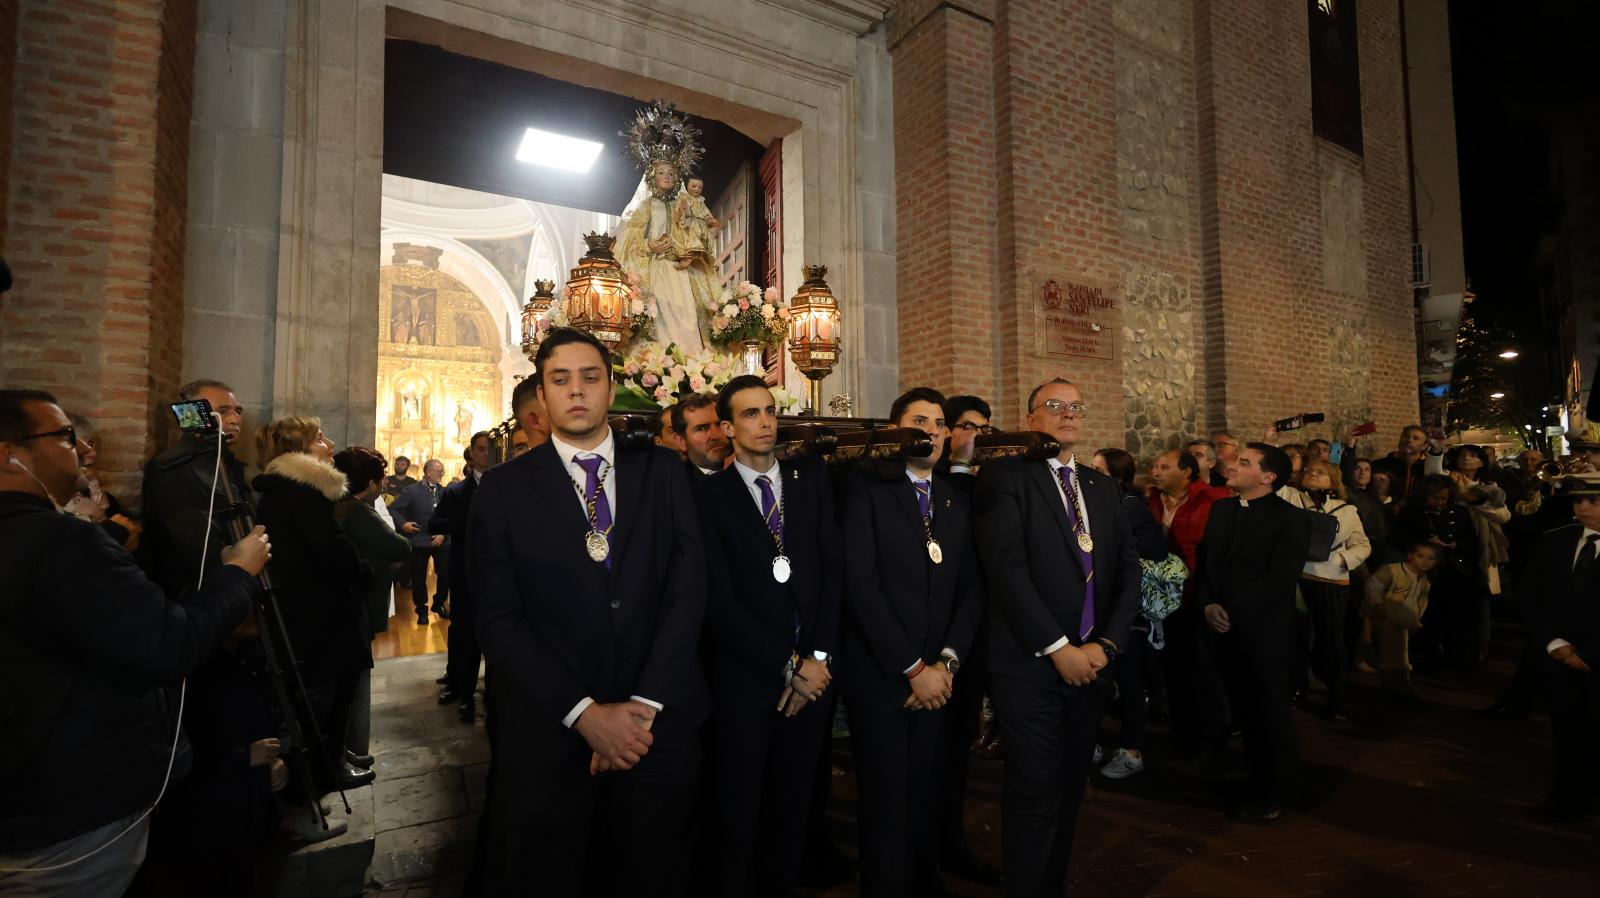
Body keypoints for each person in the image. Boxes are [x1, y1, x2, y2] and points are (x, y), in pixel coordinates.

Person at [0, 389, 268, 897]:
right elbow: (167, 644)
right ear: (7, 452)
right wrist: (238, 575)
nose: (81, 450)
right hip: (68, 807)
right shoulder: (61, 540)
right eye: (64, 436)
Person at [469, 327, 709, 896]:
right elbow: (499, 620)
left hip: (657, 726)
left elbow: (688, 588)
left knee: (652, 869)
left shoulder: (663, 472)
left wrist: (642, 708)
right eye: (561, 380)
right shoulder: (502, 491)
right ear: (543, 398)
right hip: (553, 731)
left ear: (610, 388)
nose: (576, 391)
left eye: (590, 377)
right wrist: (586, 715)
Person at [974, 378, 1140, 896]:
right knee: (1034, 788)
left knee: (1070, 789)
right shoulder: (1006, 477)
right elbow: (1006, 570)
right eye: (1054, 406)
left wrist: (1105, 645)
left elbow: (1128, 572)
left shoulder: (1101, 486)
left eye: (1075, 407)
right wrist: (1058, 648)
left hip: (1092, 664)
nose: (1067, 414)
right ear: (1032, 420)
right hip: (1029, 665)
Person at [695, 374, 843, 898]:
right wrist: (787, 666)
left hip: (813, 680)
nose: (765, 422)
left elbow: (832, 570)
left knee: (793, 806)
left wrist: (817, 659)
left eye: (770, 411)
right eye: (751, 414)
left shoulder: (810, 478)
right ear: (728, 427)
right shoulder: (708, 496)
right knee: (738, 810)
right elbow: (716, 599)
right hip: (748, 680)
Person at [838, 388, 983, 897]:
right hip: (884, 677)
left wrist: (945, 662)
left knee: (925, 791)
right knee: (886, 798)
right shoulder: (867, 490)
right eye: (919, 421)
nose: (932, 431)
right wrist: (912, 668)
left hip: (939, 677)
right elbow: (861, 587)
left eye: (940, 423)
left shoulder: (952, 496)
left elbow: (970, 588)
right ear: (898, 430)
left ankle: (925, 882)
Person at [252, 417, 375, 795]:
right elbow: (331, 550)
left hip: (305, 609)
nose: (330, 442)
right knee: (325, 700)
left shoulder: (283, 488)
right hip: (320, 613)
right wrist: (363, 571)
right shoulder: (304, 490)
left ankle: (333, 757)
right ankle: (323, 774)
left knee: (324, 695)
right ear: (300, 448)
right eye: (320, 438)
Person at [1194, 443, 1310, 822]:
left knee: (1268, 712)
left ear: (1268, 477)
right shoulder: (1223, 509)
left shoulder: (1290, 519)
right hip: (1219, 624)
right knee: (1239, 708)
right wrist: (1208, 603)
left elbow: (1280, 578)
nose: (1232, 466)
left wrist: (1232, 611)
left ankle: (1276, 790)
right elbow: (1208, 560)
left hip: (1263, 630)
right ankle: (1248, 775)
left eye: (1244, 463)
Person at [931, 392, 1002, 885]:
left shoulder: (991, 481)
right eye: (967, 426)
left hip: (973, 633)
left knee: (957, 749)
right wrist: (957, 468)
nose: (976, 437)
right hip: (928, 641)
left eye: (984, 428)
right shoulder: (926, 479)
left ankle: (950, 841)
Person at [1522, 474, 1600, 823]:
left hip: (1593, 656)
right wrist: (1555, 642)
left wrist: (1589, 652)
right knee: (1568, 734)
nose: (1582, 506)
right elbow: (1528, 594)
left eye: (1593, 501)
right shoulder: (1554, 542)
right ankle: (1568, 803)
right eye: (1578, 500)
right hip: (1559, 655)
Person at [1090, 448, 1169, 780]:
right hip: (1098, 608)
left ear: (1117, 477)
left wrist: (1116, 551)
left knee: (1131, 682)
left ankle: (1132, 750)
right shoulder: (1093, 504)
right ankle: (1090, 741)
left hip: (1130, 612)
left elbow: (1157, 549)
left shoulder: (1131, 507)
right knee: (1097, 681)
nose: (1089, 473)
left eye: (1098, 468)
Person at [332, 447, 411, 758]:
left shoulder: (336, 504)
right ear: (371, 483)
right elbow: (398, 546)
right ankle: (354, 749)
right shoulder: (357, 510)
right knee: (354, 684)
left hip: (345, 603)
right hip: (354, 605)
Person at [139, 379, 250, 600]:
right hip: (201, 594)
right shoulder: (172, 467)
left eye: (238, 411)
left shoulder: (227, 462)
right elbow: (190, 546)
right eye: (223, 410)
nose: (236, 418)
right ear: (193, 415)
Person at [1145, 448, 1224, 753]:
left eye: (1164, 466)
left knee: (1203, 671)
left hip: (1196, 593)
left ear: (1187, 472)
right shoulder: (1151, 500)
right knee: (1172, 668)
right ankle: (1182, 731)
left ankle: (1211, 739)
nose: (1156, 471)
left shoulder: (1212, 500)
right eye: (1155, 465)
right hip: (1161, 596)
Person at [1285, 460, 1371, 719]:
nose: (1313, 474)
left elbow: (1362, 544)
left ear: (1333, 480)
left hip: (1330, 578)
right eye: (1309, 471)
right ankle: (1296, 689)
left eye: (1320, 472)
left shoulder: (1346, 510)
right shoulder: (1290, 497)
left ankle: (1337, 697)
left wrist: (1343, 561)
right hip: (1295, 576)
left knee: (1331, 638)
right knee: (1295, 636)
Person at [1393, 474, 1482, 671]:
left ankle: (1456, 655)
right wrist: (1424, 546)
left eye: (1444, 498)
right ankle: (1430, 655)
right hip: (1426, 572)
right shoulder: (1413, 512)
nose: (1440, 503)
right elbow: (1399, 538)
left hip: (1456, 571)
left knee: (1457, 617)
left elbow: (1472, 541)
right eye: (1435, 498)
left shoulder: (1459, 512)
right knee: (1430, 616)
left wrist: (1455, 545)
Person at [432, 431, 491, 724]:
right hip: (465, 568)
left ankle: (491, 693)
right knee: (464, 632)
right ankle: (463, 691)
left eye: (489, 449)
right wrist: (464, 522)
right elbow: (435, 522)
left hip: (495, 569)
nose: (486, 454)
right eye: (480, 449)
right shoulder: (455, 492)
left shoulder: (506, 484)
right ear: (471, 454)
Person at [1362, 541, 1438, 696]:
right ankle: (1390, 682)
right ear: (1410, 556)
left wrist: (1415, 620)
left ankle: (1402, 681)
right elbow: (1372, 586)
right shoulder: (1392, 570)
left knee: (1402, 650)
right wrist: (1377, 605)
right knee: (1390, 648)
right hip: (1384, 616)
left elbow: (1422, 602)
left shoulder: (1424, 580)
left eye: (1430, 558)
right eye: (1421, 556)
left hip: (1401, 620)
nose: (1425, 561)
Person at [64, 412, 140, 551]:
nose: (92, 453)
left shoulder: (108, 501)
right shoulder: (48, 504)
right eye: (78, 445)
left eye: (91, 443)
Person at [390, 458, 450, 625]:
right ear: (428, 472)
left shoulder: (446, 492)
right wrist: (403, 524)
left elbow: (452, 516)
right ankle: (421, 609)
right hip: (419, 540)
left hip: (442, 541)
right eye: (439, 471)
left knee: (445, 575)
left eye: (442, 471)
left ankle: (438, 604)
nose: (442, 474)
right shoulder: (412, 491)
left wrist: (443, 533)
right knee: (418, 578)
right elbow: (393, 509)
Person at [1372, 425, 1443, 503]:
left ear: (1424, 446)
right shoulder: (1381, 465)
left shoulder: (1426, 467)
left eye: (1415, 438)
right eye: (1406, 436)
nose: (1409, 440)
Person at [671, 393, 730, 480]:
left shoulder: (752, 467)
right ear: (681, 441)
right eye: (701, 429)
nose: (715, 436)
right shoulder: (675, 486)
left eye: (719, 425)